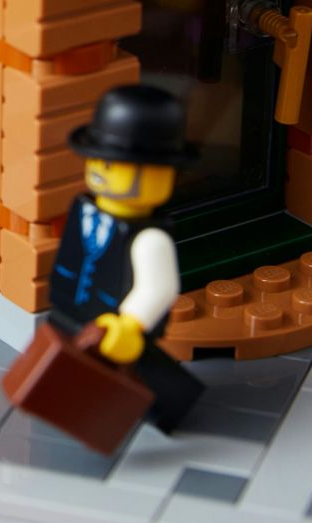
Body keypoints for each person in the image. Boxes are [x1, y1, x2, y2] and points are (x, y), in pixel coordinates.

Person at [48, 82, 203, 434]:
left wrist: (129, 326)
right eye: (98, 158)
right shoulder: (85, 211)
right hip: (72, 311)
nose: (102, 168)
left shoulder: (149, 239)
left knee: (145, 374)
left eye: (115, 163)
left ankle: (173, 405)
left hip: (114, 328)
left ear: (161, 175)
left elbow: (158, 289)